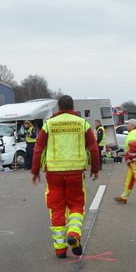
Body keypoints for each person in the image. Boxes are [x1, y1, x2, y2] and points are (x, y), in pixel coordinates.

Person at [31, 95, 101, 258]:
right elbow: (93, 148)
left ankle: (60, 249)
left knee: (57, 209)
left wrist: (35, 171)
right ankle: (74, 234)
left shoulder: (49, 124)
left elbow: (38, 148)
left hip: (54, 173)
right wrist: (95, 169)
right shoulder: (82, 123)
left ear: (58, 107)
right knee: (76, 205)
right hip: (75, 172)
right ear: (72, 107)